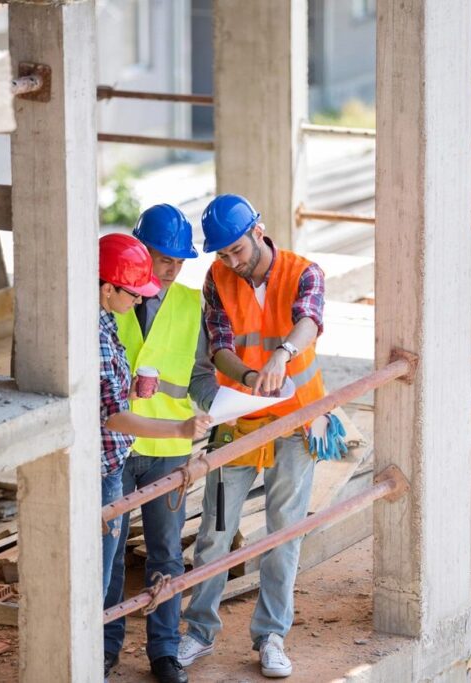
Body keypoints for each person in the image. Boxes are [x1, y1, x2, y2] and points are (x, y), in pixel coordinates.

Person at [178, 194, 326, 679]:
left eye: (237, 250)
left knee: (283, 530)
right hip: (238, 420)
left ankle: (271, 635)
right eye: (221, 254)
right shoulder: (217, 279)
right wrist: (244, 379)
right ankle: (198, 632)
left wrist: (282, 355)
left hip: (296, 423)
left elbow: (309, 320)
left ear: (259, 232)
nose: (231, 262)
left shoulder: (305, 272)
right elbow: (219, 345)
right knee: (216, 529)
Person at [103, 206, 218, 683]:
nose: (171, 268)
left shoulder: (191, 304)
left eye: (179, 260)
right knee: (107, 556)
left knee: (167, 552)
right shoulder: (114, 298)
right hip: (118, 445)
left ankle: (164, 652)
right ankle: (105, 648)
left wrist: (214, 409)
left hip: (168, 447)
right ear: (140, 248)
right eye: (163, 257)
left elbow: (201, 372)